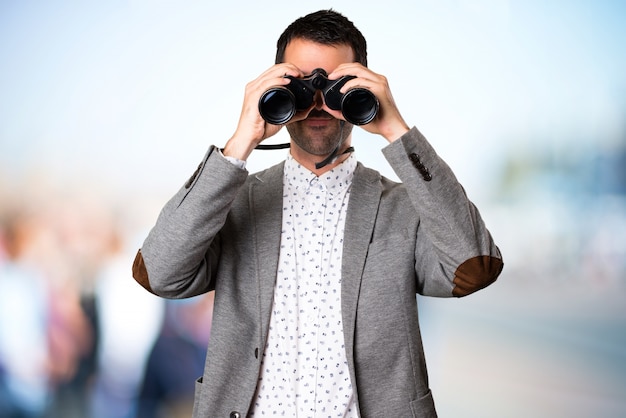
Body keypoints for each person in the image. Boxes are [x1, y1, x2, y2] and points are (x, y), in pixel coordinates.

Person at [132, 9, 503, 418]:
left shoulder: (402, 209)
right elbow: (160, 272)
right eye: (302, 85)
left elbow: (476, 266)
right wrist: (241, 140)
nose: (319, 103)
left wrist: (397, 129)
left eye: (335, 85)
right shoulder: (233, 203)